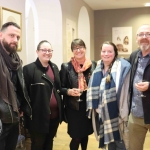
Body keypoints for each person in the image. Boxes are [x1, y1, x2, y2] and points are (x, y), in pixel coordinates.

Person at [86, 41, 131, 150]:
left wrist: (123, 114)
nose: (106, 54)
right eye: (104, 51)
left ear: (115, 53)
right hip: (102, 114)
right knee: (110, 145)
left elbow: (126, 92)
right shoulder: (97, 67)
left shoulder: (122, 67)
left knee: (121, 145)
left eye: (109, 51)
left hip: (118, 115)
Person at [23, 40, 63, 150]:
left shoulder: (54, 67)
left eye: (49, 50)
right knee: (38, 145)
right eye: (44, 50)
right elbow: (24, 94)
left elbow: (58, 88)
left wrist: (68, 91)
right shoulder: (29, 69)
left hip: (54, 116)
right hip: (38, 118)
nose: (47, 52)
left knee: (49, 142)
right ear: (37, 52)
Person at [60, 38, 96, 150]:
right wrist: (68, 91)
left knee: (85, 134)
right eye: (75, 48)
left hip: (88, 106)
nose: (78, 50)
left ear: (85, 49)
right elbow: (60, 88)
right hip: (73, 108)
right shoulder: (66, 67)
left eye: (81, 47)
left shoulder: (93, 65)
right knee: (76, 137)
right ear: (72, 51)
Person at [0, 22, 32, 150]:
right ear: (1, 35)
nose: (15, 40)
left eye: (17, 37)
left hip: (13, 116)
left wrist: (22, 105)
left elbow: (18, 87)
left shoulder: (15, 59)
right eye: (11, 35)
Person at [128, 24, 150, 150]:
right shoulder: (134, 55)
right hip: (136, 115)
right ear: (136, 39)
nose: (144, 37)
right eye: (141, 34)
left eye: (148, 34)